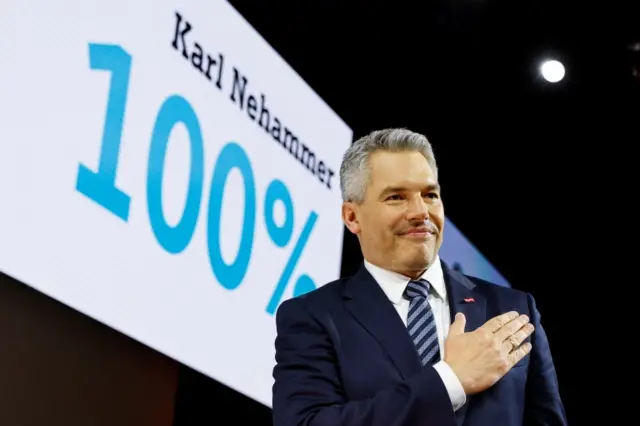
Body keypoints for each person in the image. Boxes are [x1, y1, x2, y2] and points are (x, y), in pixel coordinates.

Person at [271, 128, 567, 426]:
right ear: (352, 216)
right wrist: (450, 381)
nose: (420, 212)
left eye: (430, 195)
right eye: (397, 197)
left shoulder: (514, 309)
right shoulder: (314, 316)